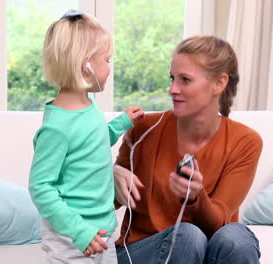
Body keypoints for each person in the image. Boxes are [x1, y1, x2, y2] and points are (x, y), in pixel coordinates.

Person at [113, 35, 263, 264]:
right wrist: (108, 174)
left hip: (205, 247)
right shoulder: (143, 128)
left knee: (237, 238)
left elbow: (219, 223)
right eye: (172, 78)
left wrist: (195, 197)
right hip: (143, 251)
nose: (173, 89)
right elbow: (102, 204)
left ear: (219, 83)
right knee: (186, 236)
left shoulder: (245, 141)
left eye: (185, 80)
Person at [28, 10, 144, 264]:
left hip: (103, 231)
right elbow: (40, 188)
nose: (110, 68)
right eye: (107, 60)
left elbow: (93, 142)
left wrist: (121, 123)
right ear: (87, 65)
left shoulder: (88, 106)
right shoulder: (56, 127)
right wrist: (79, 231)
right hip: (72, 239)